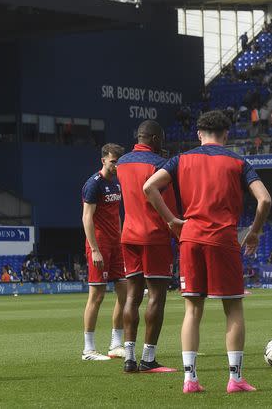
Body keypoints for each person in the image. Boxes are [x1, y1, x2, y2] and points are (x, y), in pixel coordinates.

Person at [143, 110, 272, 394]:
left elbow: (149, 187)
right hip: (223, 240)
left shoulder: (181, 159)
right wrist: (255, 232)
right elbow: (264, 199)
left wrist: (171, 220)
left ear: (199, 134)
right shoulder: (238, 161)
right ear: (226, 135)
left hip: (190, 238)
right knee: (234, 309)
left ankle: (190, 380)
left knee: (192, 310)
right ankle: (235, 379)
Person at [116, 120, 178, 373]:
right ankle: (148, 358)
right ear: (153, 138)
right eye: (161, 138)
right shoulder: (160, 165)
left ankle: (129, 358)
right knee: (156, 297)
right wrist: (176, 230)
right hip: (154, 237)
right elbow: (169, 207)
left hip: (128, 235)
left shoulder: (121, 163)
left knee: (132, 296)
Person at [80, 143, 128, 361]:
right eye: (113, 162)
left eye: (119, 161)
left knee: (124, 292)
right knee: (97, 296)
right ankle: (88, 350)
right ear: (103, 161)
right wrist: (94, 249)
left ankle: (116, 344)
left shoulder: (117, 183)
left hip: (116, 244)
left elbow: (115, 214)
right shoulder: (94, 184)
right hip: (99, 245)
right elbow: (87, 218)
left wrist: (120, 237)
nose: (116, 166)